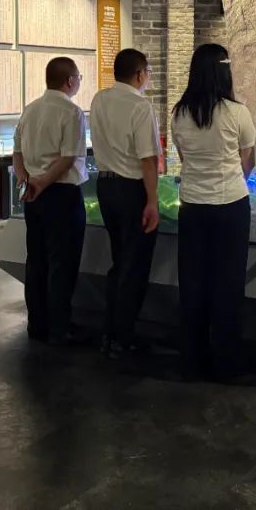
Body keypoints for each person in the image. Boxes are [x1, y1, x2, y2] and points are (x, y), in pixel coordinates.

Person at [170, 44, 256, 381]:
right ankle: (226, 361)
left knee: (193, 283)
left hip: (192, 206)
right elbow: (247, 161)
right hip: (231, 206)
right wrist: (230, 178)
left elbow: (184, 158)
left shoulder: (179, 113)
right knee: (228, 284)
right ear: (224, 71)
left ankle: (192, 359)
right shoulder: (237, 113)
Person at [88, 48, 161, 359]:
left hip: (105, 187)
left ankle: (110, 332)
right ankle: (123, 337)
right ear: (140, 74)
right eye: (148, 73)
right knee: (134, 266)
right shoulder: (140, 106)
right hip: (132, 190)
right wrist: (153, 201)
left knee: (120, 261)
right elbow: (148, 158)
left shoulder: (99, 99)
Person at [12, 57, 89, 345]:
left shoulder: (30, 109)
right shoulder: (72, 112)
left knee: (36, 261)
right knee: (62, 263)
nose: (78, 82)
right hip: (61, 194)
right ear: (70, 81)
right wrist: (43, 182)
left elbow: (17, 152)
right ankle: (59, 328)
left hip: (33, 195)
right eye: (78, 77)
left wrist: (26, 180)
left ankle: (37, 324)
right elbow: (68, 157)